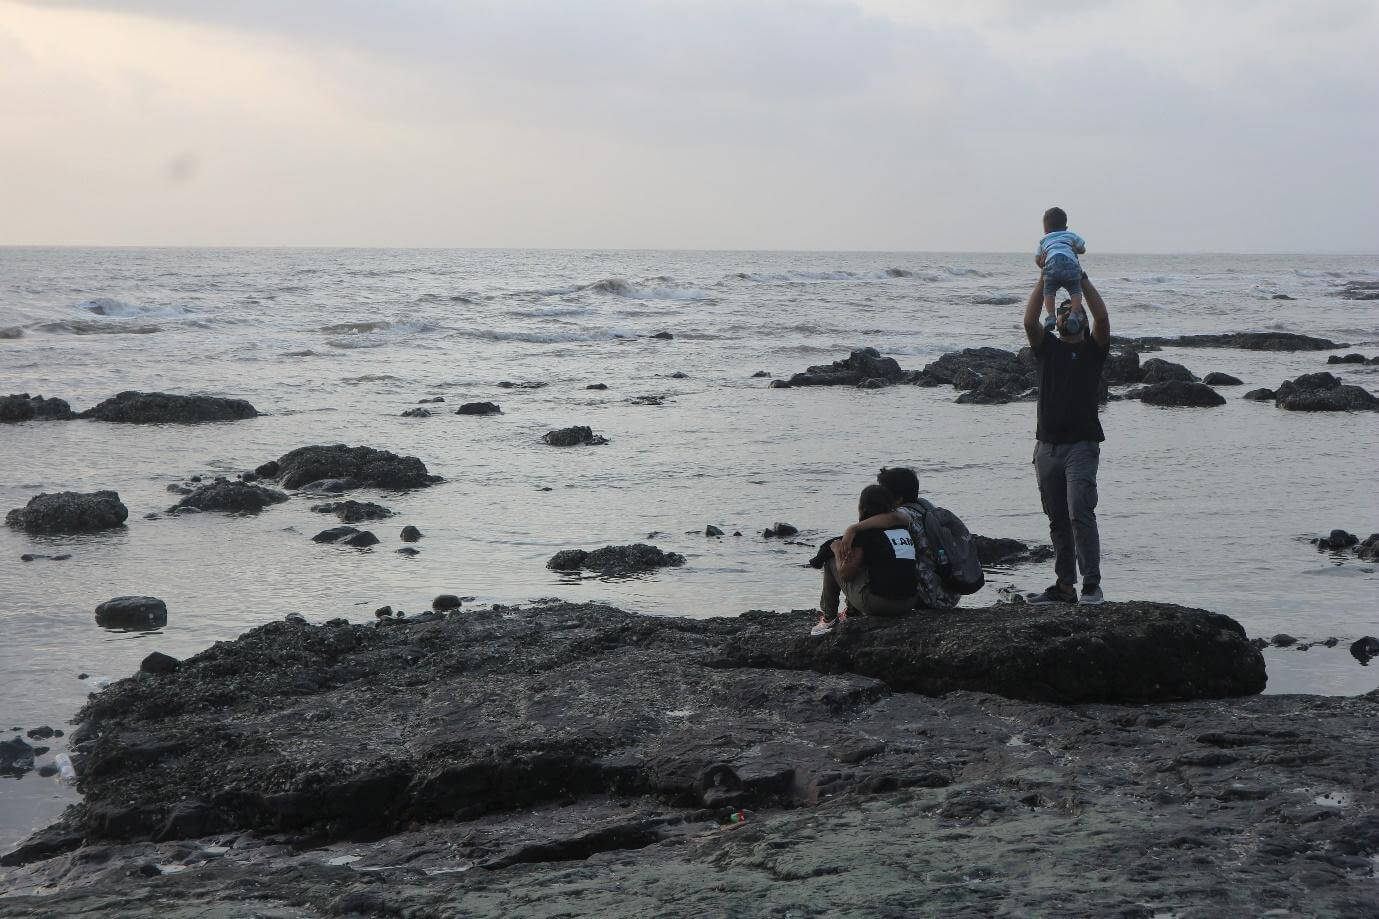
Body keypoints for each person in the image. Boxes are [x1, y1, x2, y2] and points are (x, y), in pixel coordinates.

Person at [1022, 269, 1110, 605]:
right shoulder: (1047, 349)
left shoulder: (1092, 350)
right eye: (1061, 312)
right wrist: (1044, 278)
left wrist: (1080, 277)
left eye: (1073, 311)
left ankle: (1091, 585)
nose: (1067, 315)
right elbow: (1029, 321)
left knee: (1080, 513)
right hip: (1046, 448)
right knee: (1057, 519)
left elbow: (1102, 316)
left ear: (1082, 321)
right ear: (1055, 321)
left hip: (1082, 447)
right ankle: (1063, 587)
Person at [837, 467, 958, 612]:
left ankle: (849, 610)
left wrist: (853, 529)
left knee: (867, 548)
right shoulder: (925, 506)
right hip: (949, 592)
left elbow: (894, 517)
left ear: (898, 499)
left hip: (927, 594)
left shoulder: (903, 513)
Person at [810, 484, 921, 636]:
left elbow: (846, 574)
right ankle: (851, 611)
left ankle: (829, 618)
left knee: (831, 562)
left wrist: (836, 550)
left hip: (880, 605)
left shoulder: (863, 534)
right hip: (909, 601)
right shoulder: (904, 527)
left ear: (861, 506)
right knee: (875, 564)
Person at [1035, 206, 1087, 334]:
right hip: (1070, 265)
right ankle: (1074, 314)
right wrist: (1078, 250)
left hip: (1052, 264)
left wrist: (1041, 264)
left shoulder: (1044, 240)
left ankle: (1051, 316)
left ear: (1045, 230)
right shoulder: (1070, 235)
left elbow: (1038, 259)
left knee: (1049, 291)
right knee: (1075, 290)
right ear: (1065, 227)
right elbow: (1082, 248)